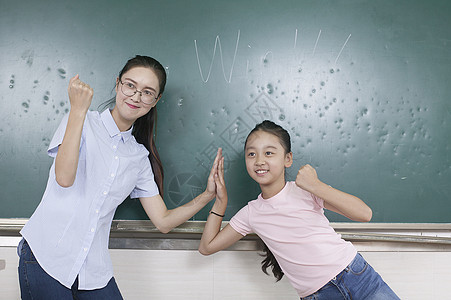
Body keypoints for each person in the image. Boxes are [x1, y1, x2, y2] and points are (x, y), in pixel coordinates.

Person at [18, 55, 222, 299]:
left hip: (93, 270)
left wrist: (207, 195)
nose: (136, 96)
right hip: (46, 258)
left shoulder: (138, 157)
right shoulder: (82, 121)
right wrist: (78, 110)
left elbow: (163, 221)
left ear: (155, 101)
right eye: (130, 85)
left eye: (147, 92)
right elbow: (64, 177)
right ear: (118, 84)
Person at [199, 120, 400, 299]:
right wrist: (220, 201)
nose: (259, 160)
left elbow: (364, 214)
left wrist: (316, 186)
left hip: (357, 275)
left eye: (269, 153)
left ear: (288, 159)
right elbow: (207, 247)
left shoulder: (305, 189)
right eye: (252, 154)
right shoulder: (251, 213)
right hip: (319, 295)